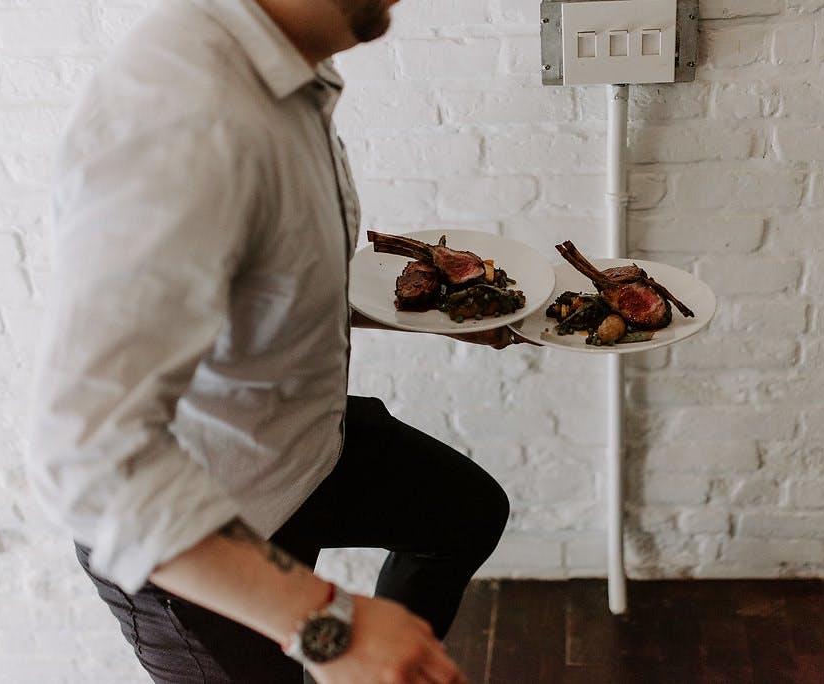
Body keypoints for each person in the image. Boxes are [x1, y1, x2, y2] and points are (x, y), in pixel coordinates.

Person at [26, 0, 519, 682]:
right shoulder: (182, 111)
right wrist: (331, 627)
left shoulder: (282, 73)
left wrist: (448, 310)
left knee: (464, 514)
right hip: (193, 531)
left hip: (300, 453)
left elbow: (271, 277)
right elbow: (86, 453)